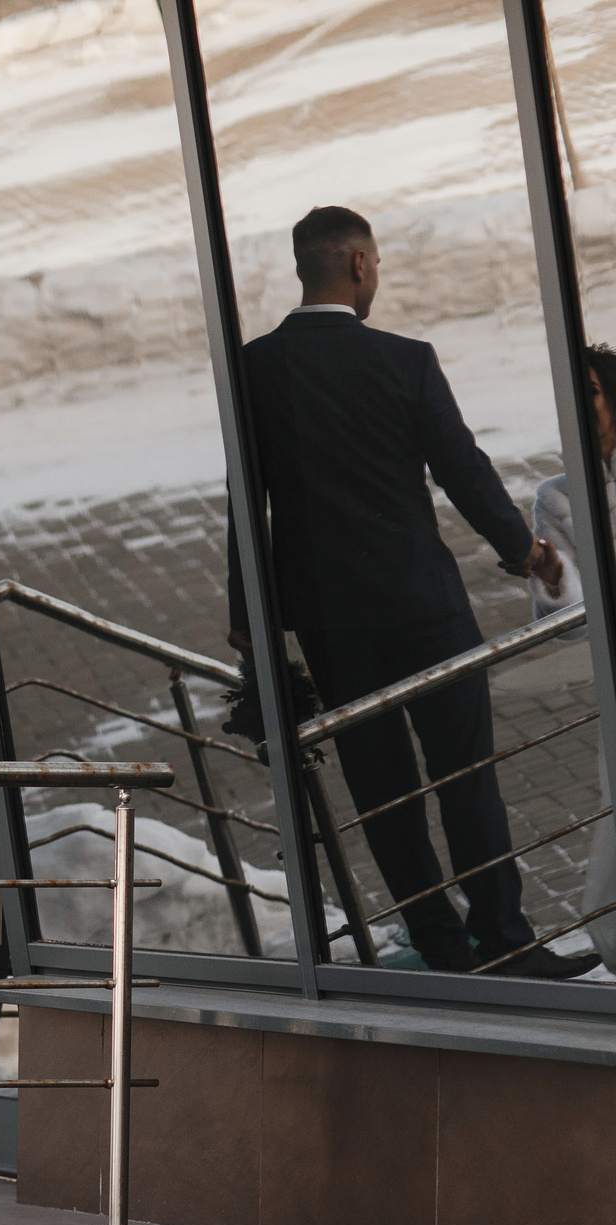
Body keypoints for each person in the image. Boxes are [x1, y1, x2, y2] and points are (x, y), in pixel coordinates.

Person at [231, 205, 596, 978]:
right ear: (360, 265)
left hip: (331, 623)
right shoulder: (405, 361)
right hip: (425, 607)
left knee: (384, 793)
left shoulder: (254, 369)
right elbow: (461, 468)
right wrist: (525, 550)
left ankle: (439, 944)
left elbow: (246, 502)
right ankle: (503, 938)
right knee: (466, 776)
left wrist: (247, 623)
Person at [527, 341, 616, 972]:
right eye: (570, 397)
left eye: (589, 390)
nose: (581, 408)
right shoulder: (556, 498)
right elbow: (562, 625)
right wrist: (555, 579)